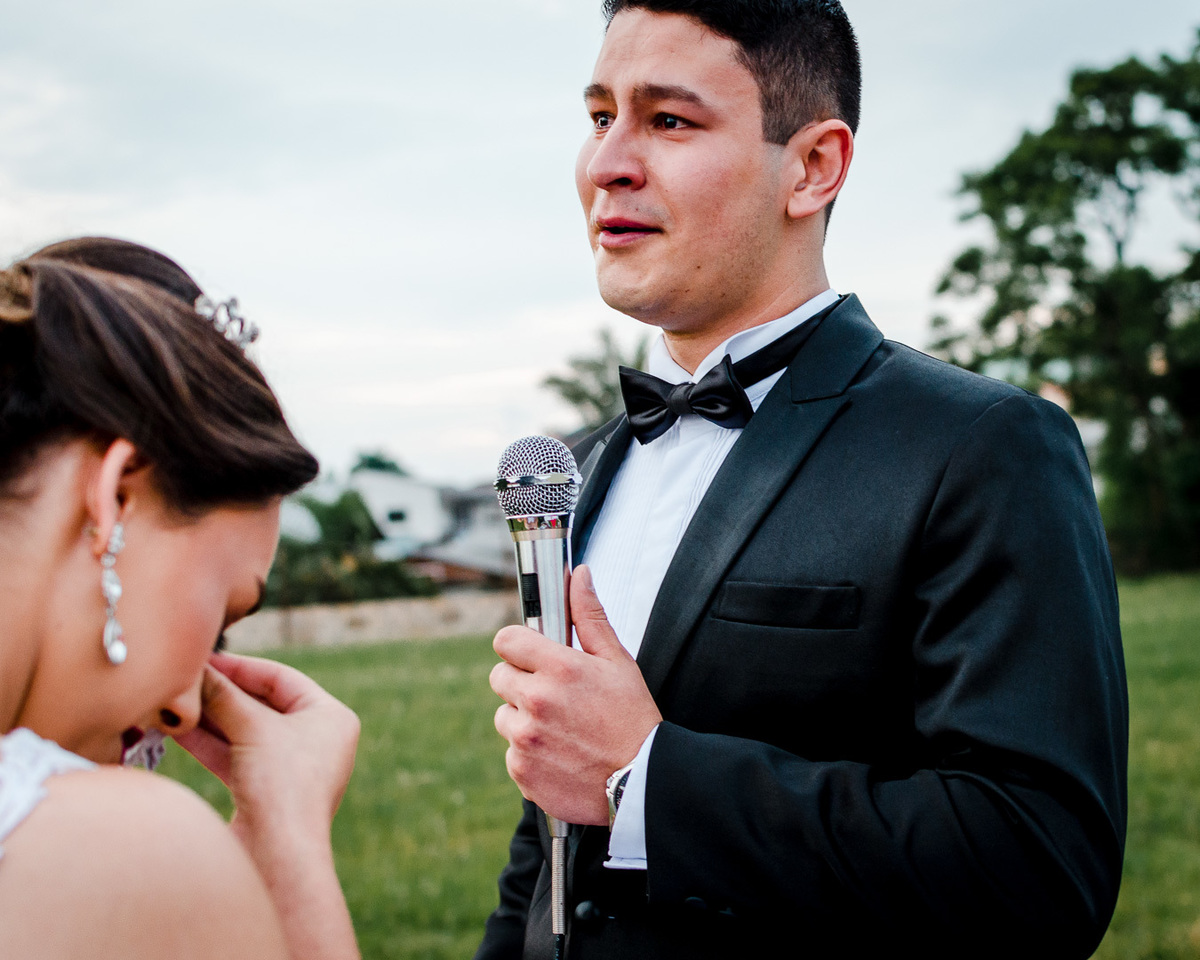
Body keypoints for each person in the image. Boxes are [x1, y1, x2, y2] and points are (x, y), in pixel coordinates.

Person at [479, 2, 1128, 958]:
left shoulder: (983, 446)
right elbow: (548, 833)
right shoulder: (581, 466)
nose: (607, 161)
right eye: (599, 115)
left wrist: (650, 778)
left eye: (668, 120)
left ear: (813, 167)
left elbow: (1037, 865)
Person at [0, 237, 361, 960]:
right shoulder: (120, 854)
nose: (186, 710)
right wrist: (287, 845)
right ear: (117, 498)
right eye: (223, 613)